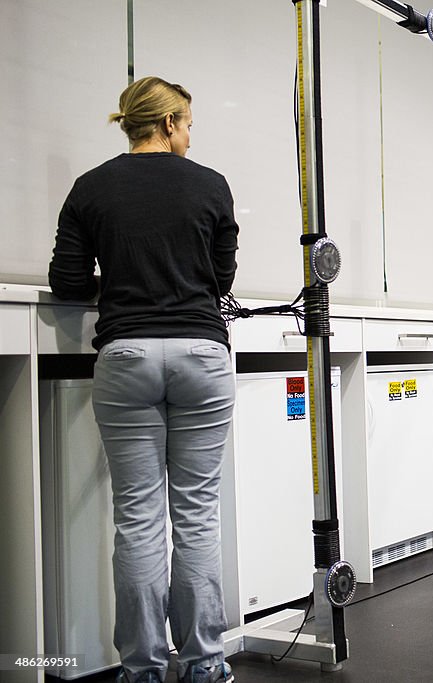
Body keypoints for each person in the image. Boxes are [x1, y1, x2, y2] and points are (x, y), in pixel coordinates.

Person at [48, 76, 239, 682]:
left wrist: (126, 286)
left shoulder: (90, 188)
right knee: (197, 514)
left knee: (136, 516)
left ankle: (142, 670)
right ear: (168, 122)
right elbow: (221, 279)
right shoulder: (211, 186)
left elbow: (68, 283)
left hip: (125, 356)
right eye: (187, 124)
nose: (190, 136)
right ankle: (205, 664)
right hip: (201, 356)